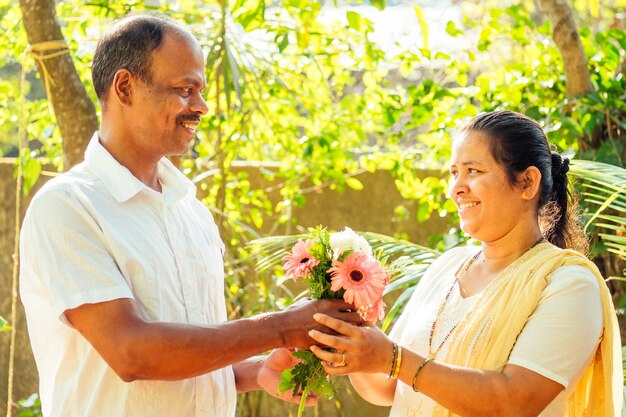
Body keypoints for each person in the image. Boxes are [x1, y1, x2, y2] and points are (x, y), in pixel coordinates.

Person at [19, 12, 360, 417]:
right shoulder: (68, 207)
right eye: (185, 89)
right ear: (125, 87)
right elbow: (133, 353)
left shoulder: (190, 211)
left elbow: (188, 355)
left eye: (199, 90)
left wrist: (258, 371)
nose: (201, 106)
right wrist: (282, 326)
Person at [306, 110, 623, 416]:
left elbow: (513, 403)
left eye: (473, 171)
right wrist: (350, 334)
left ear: (527, 182)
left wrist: (392, 358)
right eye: (454, 172)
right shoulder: (447, 267)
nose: (456, 188)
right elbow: (388, 388)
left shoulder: (568, 284)